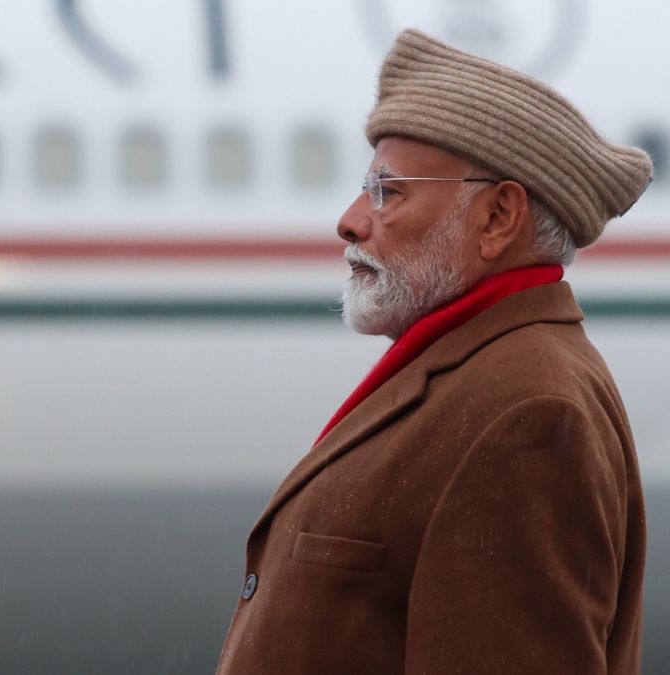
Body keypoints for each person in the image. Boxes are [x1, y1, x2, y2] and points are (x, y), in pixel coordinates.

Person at [215, 29, 649, 675]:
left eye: (388, 191)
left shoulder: (526, 413)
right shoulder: (482, 375)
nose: (351, 219)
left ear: (499, 218)